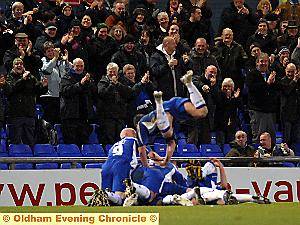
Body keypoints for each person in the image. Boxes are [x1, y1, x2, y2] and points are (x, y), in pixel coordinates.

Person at [137, 70, 208, 167]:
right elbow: (172, 144)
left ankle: (159, 104)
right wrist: (165, 161)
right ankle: (189, 83)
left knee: (167, 133)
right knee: (202, 112)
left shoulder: (141, 125)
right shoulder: (149, 130)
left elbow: (142, 152)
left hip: (164, 112)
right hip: (173, 104)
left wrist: (147, 167)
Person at [89, 128, 139, 207]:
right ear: (133, 134)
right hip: (121, 165)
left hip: (106, 167)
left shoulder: (115, 145)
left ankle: (105, 194)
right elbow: (143, 151)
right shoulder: (132, 140)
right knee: (121, 195)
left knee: (108, 198)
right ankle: (107, 195)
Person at [4, 57, 48, 147]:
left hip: (29, 114)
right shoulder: (9, 77)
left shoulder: (30, 77)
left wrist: (43, 85)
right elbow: (10, 90)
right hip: (16, 115)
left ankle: (30, 160)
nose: (19, 66)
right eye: (17, 64)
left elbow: (38, 90)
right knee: (15, 141)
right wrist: (22, 80)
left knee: (30, 141)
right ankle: (15, 160)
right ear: (13, 67)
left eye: (21, 64)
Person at [60, 58, 96, 147]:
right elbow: (65, 91)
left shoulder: (87, 78)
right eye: (77, 66)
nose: (79, 68)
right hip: (70, 116)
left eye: (81, 66)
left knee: (84, 141)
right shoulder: (66, 77)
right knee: (71, 143)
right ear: (73, 66)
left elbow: (94, 92)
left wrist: (89, 83)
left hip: (84, 116)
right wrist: (80, 84)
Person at [246, 53, 279, 144]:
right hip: (257, 111)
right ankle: (258, 157)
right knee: (259, 137)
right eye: (261, 61)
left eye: (265, 61)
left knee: (271, 138)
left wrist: (274, 83)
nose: (263, 63)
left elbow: (276, 90)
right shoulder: (252, 74)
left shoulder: (271, 74)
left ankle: (271, 156)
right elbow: (252, 88)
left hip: (270, 111)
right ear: (257, 63)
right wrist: (267, 83)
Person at [40, 41, 70, 125]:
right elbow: (47, 70)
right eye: (48, 51)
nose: (51, 53)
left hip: (61, 96)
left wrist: (66, 61)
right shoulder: (43, 61)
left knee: (60, 121)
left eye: (52, 50)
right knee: (50, 121)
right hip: (49, 96)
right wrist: (55, 58)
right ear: (45, 53)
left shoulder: (60, 61)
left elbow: (70, 71)